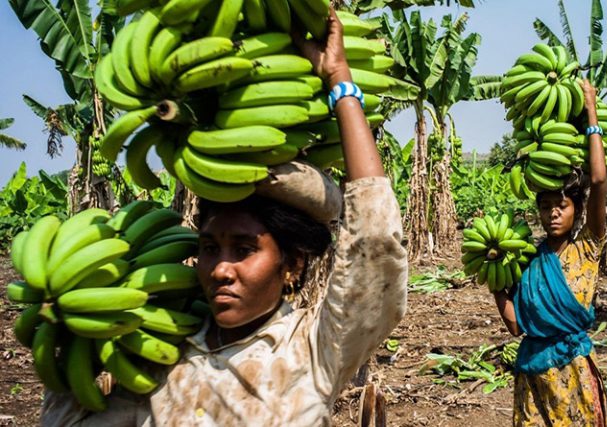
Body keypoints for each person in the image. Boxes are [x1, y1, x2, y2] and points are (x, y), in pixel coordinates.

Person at [42, 9, 408, 426]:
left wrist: (339, 81)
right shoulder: (162, 355)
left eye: (245, 249)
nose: (220, 270)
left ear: (293, 265)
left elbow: (374, 239)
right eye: (210, 248)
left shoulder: (313, 348)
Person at [492, 80, 607, 426]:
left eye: (561, 205)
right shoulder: (528, 263)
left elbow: (598, 181)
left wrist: (591, 109)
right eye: (545, 205)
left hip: (573, 372)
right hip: (532, 376)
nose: (553, 213)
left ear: (576, 210)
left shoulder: (587, 248)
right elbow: (516, 326)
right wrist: (495, 283)